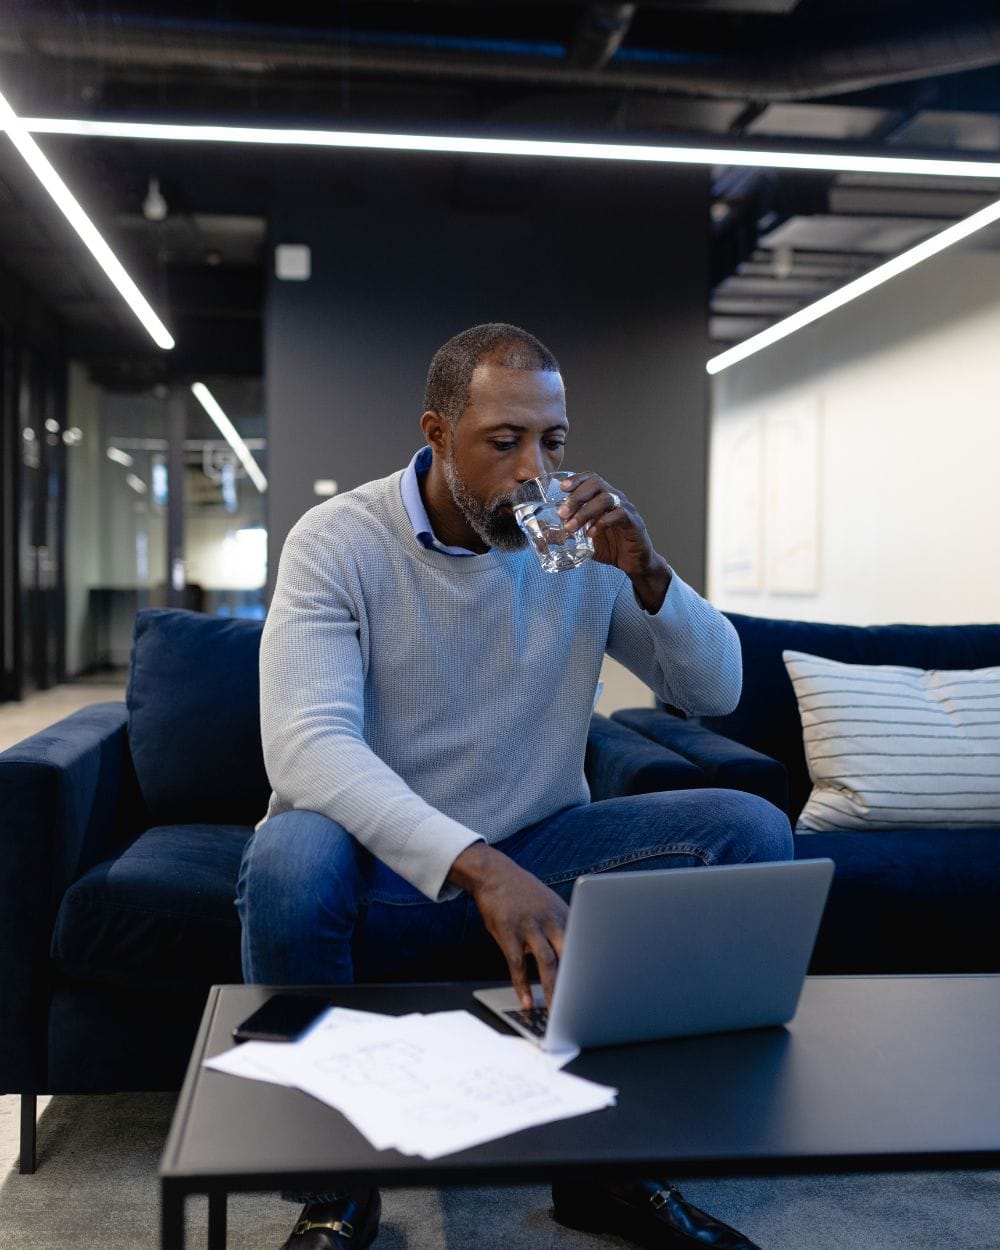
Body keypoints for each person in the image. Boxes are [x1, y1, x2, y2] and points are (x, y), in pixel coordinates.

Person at [237, 323, 792, 1250]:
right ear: (439, 432)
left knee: (746, 828)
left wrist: (651, 577)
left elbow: (718, 693)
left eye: (554, 441)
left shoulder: (575, 549)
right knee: (288, 852)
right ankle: (335, 1187)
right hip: (373, 858)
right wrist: (479, 867)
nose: (536, 470)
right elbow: (305, 746)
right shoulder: (339, 541)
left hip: (539, 841)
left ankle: (608, 1168)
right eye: (506, 442)